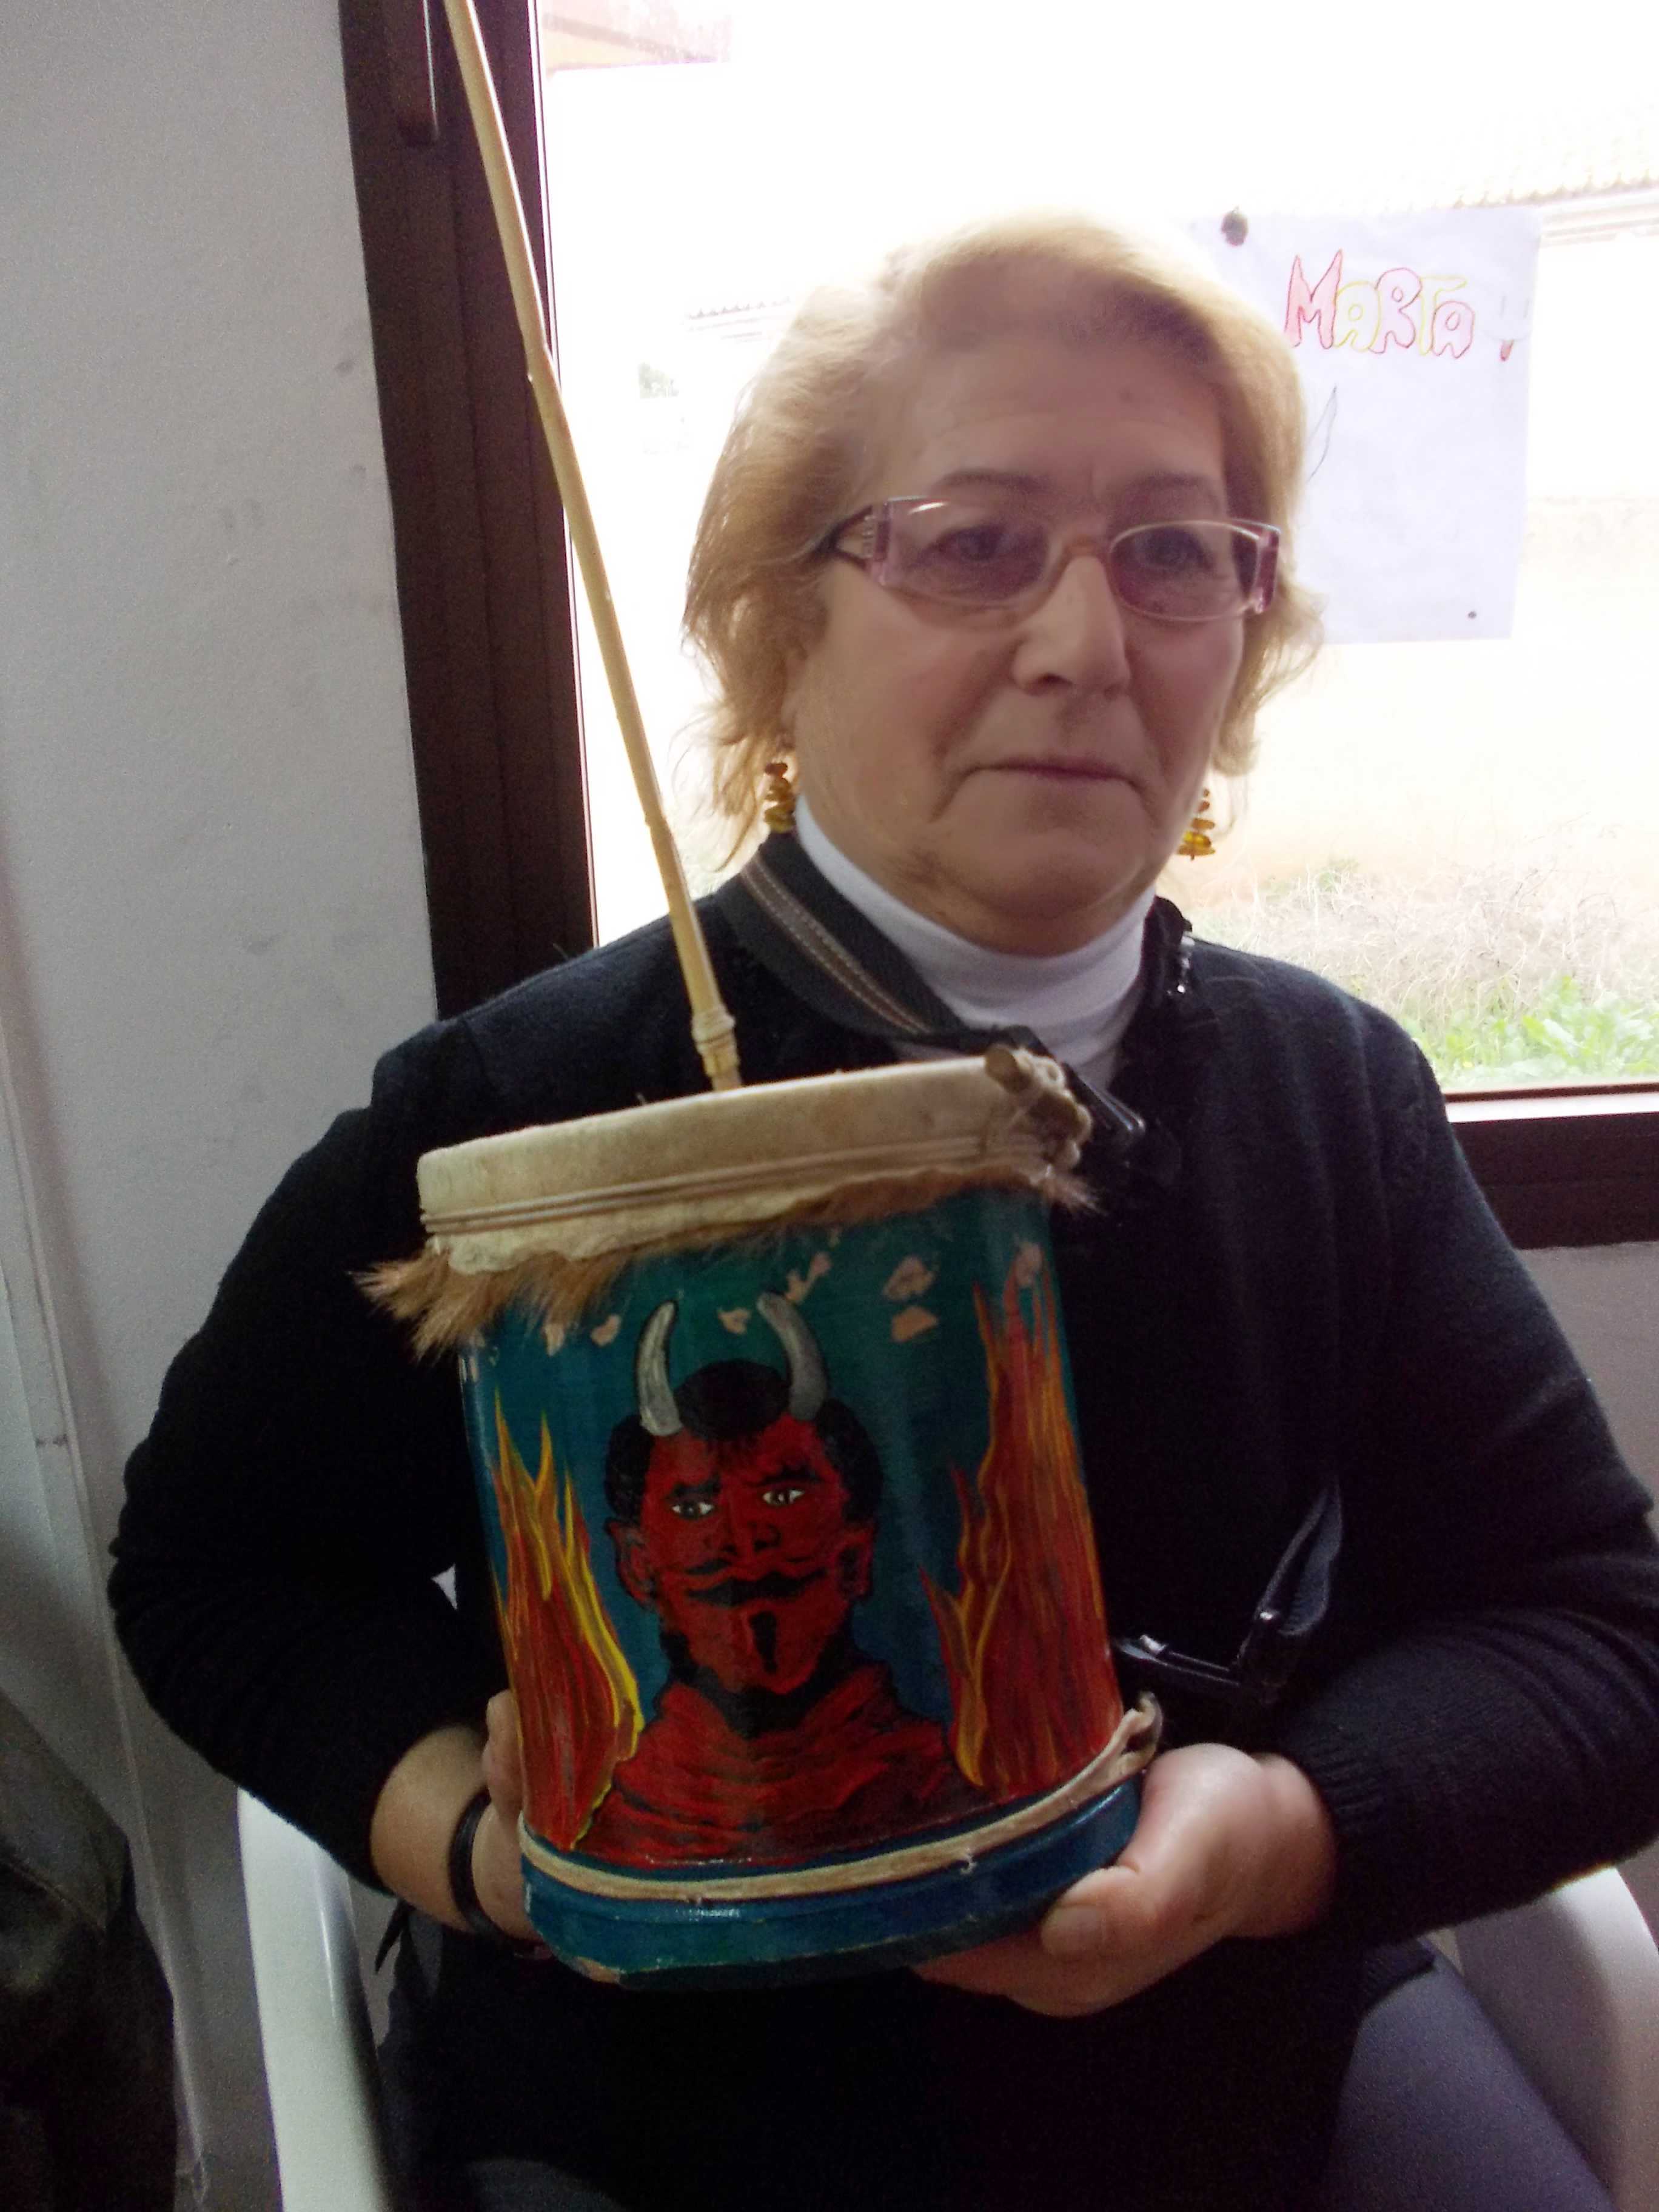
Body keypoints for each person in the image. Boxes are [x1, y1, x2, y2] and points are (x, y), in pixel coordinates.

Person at [109, 215, 1659, 2212]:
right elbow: (215, 1562)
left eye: (1173, 551)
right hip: (671, 2118)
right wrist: (484, 1851)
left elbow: (1594, 1623)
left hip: (1238, 2070)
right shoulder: (522, 1110)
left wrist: (1273, 1837)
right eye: (973, 542)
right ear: (780, 624)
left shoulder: (1329, 1093)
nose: (1086, 643)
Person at [585, 1296, 985, 1862]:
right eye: (695, 1509)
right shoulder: (634, 1819)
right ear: (638, 1566)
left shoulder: (931, 1783)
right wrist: (474, 1849)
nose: (744, 1544)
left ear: (854, 1557)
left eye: (784, 1497)